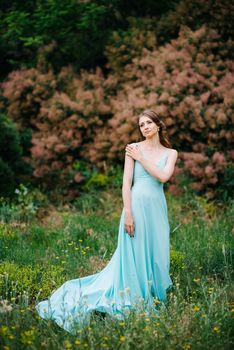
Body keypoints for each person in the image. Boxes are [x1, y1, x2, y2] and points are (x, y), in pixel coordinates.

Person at [35, 109, 178, 334]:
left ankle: (154, 295)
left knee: (158, 255)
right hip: (136, 209)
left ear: (158, 125)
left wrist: (142, 159)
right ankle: (133, 298)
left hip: (157, 210)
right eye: (141, 125)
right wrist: (128, 212)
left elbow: (163, 177)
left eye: (149, 122)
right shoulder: (133, 148)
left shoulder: (171, 153)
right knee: (134, 254)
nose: (145, 127)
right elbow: (126, 183)